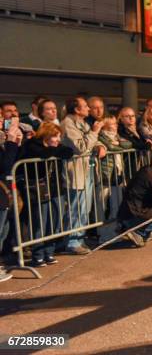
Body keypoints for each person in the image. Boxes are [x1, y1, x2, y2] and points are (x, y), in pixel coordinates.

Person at [19, 123, 74, 267]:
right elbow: (42, 154)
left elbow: (68, 152)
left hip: (56, 189)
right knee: (40, 224)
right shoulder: (31, 145)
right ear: (46, 135)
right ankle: (37, 255)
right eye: (55, 136)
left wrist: (54, 150)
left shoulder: (54, 147)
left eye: (59, 136)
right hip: (39, 190)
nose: (58, 139)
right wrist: (54, 150)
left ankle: (49, 253)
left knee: (54, 223)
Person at [60, 97, 106, 255]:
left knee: (84, 207)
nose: (89, 108)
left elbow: (94, 142)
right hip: (76, 170)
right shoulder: (68, 123)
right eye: (85, 106)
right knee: (77, 208)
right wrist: (94, 132)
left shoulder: (84, 123)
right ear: (77, 109)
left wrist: (100, 145)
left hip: (87, 168)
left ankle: (79, 238)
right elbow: (81, 147)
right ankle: (73, 241)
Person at [118, 150, 152, 247]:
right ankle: (139, 232)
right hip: (134, 212)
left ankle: (144, 233)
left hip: (134, 209)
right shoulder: (151, 175)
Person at [0, 117, 22, 282]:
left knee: (3, 231)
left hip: (4, 192)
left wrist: (16, 144)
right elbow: (5, 165)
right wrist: (11, 143)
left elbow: (14, 162)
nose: (2, 121)